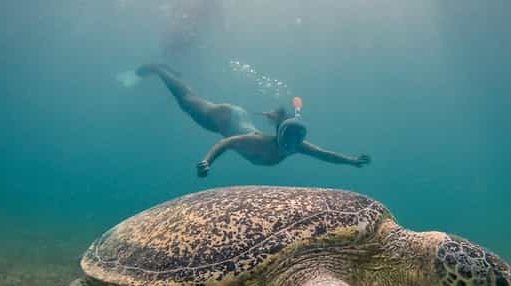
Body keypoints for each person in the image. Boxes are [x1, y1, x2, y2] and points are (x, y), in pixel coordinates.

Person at [120, 63, 371, 177]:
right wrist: (207, 161)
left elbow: (325, 155)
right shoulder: (257, 141)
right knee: (187, 101)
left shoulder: (297, 146)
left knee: (187, 103)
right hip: (226, 117)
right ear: (278, 134)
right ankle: (160, 70)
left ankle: (164, 71)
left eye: (297, 141)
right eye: (288, 139)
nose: (291, 146)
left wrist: (351, 161)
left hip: (237, 120)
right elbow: (226, 143)